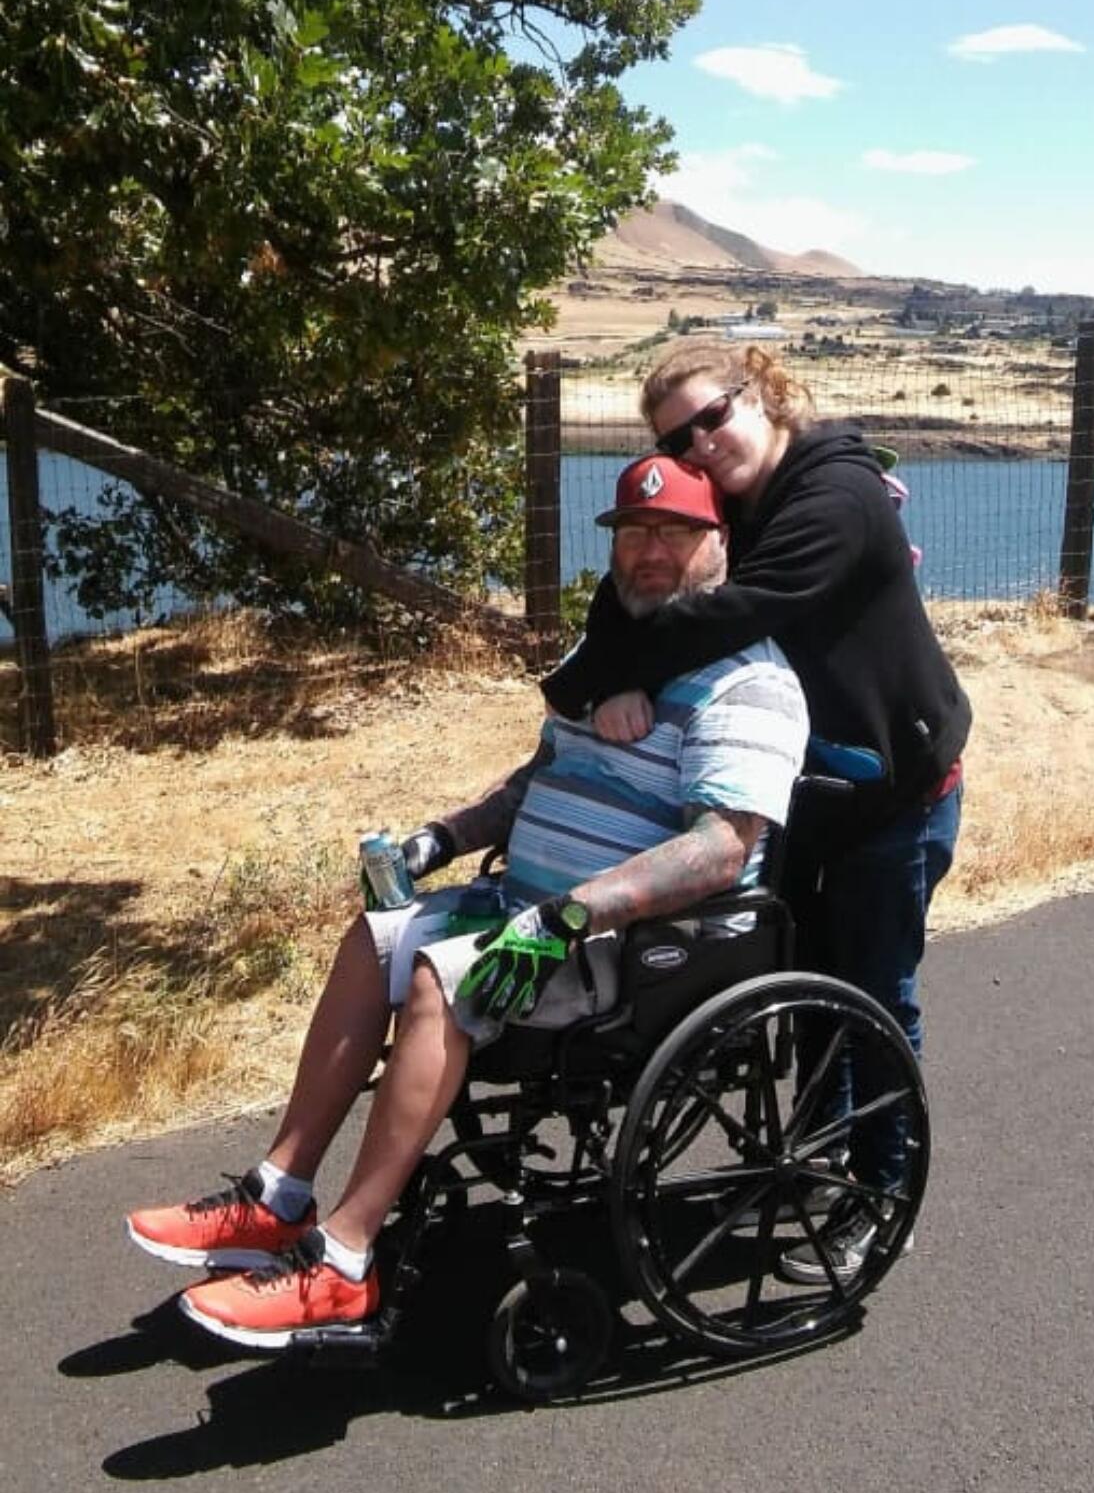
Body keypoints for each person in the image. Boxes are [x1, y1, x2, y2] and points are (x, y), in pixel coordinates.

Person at [125, 453, 808, 1349]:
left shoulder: (748, 682)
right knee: (375, 937)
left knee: (442, 983)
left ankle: (343, 1260)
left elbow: (722, 849)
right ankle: (278, 1196)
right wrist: (441, 838)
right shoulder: (611, 658)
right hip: (528, 908)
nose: (649, 552)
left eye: (675, 534)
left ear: (719, 544)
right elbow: (539, 777)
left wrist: (571, 914)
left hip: (628, 948)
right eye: (634, 534)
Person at [542, 339, 971, 1284]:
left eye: (711, 417)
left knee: (875, 999)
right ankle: (819, 1168)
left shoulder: (837, 497)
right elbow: (635, 592)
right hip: (801, 792)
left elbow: (735, 609)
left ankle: (879, 1193)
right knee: (808, 997)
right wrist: (591, 674)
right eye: (675, 438)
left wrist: (592, 676)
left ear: (765, 392)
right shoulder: (729, 500)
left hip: (895, 793)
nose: (698, 446)